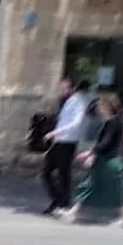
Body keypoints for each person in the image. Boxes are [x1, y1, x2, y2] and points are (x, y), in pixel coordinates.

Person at [62, 94, 123, 227]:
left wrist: (90, 153)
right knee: (88, 186)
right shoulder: (111, 122)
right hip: (104, 160)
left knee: (115, 189)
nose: (99, 108)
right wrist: (92, 155)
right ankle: (73, 212)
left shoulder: (113, 122)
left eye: (101, 105)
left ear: (108, 106)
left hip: (109, 161)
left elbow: (106, 143)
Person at [41, 77, 89, 214]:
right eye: (61, 88)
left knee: (64, 174)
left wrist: (56, 132)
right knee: (46, 172)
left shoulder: (78, 102)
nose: (62, 91)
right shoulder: (64, 102)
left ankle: (63, 203)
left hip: (68, 142)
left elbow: (76, 123)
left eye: (65, 88)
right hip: (58, 141)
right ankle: (58, 200)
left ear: (72, 88)